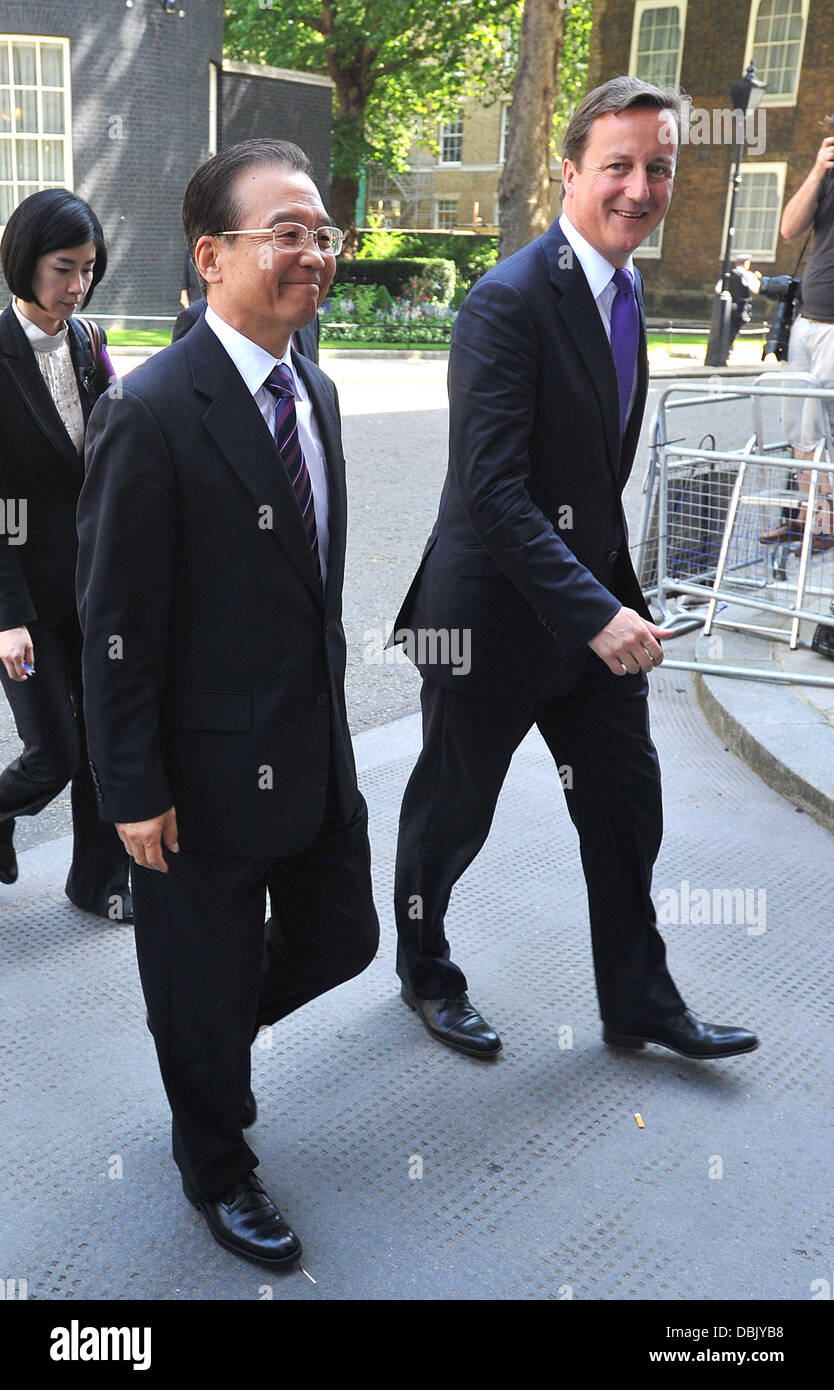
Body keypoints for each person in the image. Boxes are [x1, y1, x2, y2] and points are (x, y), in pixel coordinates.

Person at [391, 76, 758, 1064]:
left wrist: (611, 602)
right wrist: (597, 611)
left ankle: (638, 999)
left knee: (627, 809)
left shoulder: (630, 290)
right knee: (450, 818)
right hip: (489, 620)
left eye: (661, 168)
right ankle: (423, 971)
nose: (641, 188)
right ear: (568, 172)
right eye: (620, 167)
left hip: (592, 618)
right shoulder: (506, 301)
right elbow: (493, 491)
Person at [76, 140, 379, 1269]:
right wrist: (132, 788)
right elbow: (114, 621)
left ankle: (196, 1029)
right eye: (286, 233)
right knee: (199, 987)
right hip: (195, 785)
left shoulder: (319, 387)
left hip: (312, 754)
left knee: (345, 937)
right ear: (211, 257)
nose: (314, 253)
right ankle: (214, 1154)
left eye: (322, 232)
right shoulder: (149, 411)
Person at [0, 189, 130, 917]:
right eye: (62, 268)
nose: (77, 285)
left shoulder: (87, 340)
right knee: (55, 753)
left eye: (87, 268)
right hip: (22, 602)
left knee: (107, 743)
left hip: (93, 588)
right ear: (24, 262)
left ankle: (99, 883)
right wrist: (7, 618)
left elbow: (110, 448)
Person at [760, 115, 834, 551]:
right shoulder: (827, 174)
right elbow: (789, 227)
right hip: (807, 320)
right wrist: (818, 169)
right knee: (797, 428)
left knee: (823, 425)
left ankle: (826, 523)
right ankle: (805, 514)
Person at [171, 289, 320, 361]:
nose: (314, 257)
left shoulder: (308, 320)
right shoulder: (196, 318)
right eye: (288, 236)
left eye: (322, 239)